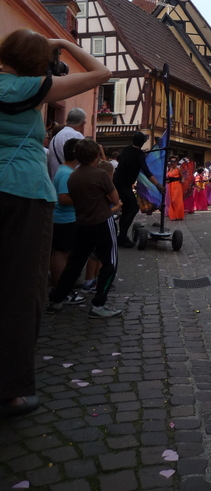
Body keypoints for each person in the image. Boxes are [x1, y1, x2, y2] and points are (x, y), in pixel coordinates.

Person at [0, 29, 110, 418]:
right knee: (21, 289)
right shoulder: (33, 87)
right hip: (24, 192)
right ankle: (10, 390)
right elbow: (102, 74)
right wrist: (61, 45)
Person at [47, 139, 123, 318]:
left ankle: (57, 299)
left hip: (81, 222)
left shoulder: (73, 175)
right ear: (96, 156)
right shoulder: (100, 175)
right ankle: (98, 304)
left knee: (75, 263)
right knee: (110, 263)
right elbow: (115, 199)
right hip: (102, 221)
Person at [113, 131, 165, 246]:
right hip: (124, 184)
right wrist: (157, 184)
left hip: (117, 182)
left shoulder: (126, 149)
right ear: (142, 142)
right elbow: (146, 171)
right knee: (133, 208)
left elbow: (123, 159)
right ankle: (122, 237)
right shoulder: (139, 154)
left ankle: (122, 236)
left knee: (127, 209)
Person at [49, 138, 84, 302]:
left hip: (66, 218)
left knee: (64, 253)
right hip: (64, 219)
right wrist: (83, 199)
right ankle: (61, 290)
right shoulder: (66, 173)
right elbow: (63, 198)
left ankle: (62, 289)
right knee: (61, 254)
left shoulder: (66, 171)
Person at [48, 107, 87, 178]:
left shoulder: (55, 137)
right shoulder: (77, 136)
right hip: (72, 179)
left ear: (66, 121)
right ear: (83, 123)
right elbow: (84, 161)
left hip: (56, 177)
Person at [166, 157, 185, 221]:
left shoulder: (178, 168)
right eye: (172, 162)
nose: (173, 163)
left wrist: (182, 180)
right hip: (170, 185)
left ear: (176, 162)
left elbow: (182, 177)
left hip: (177, 185)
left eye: (174, 161)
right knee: (171, 200)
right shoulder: (170, 169)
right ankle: (173, 216)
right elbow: (169, 178)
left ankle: (179, 215)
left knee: (176, 200)